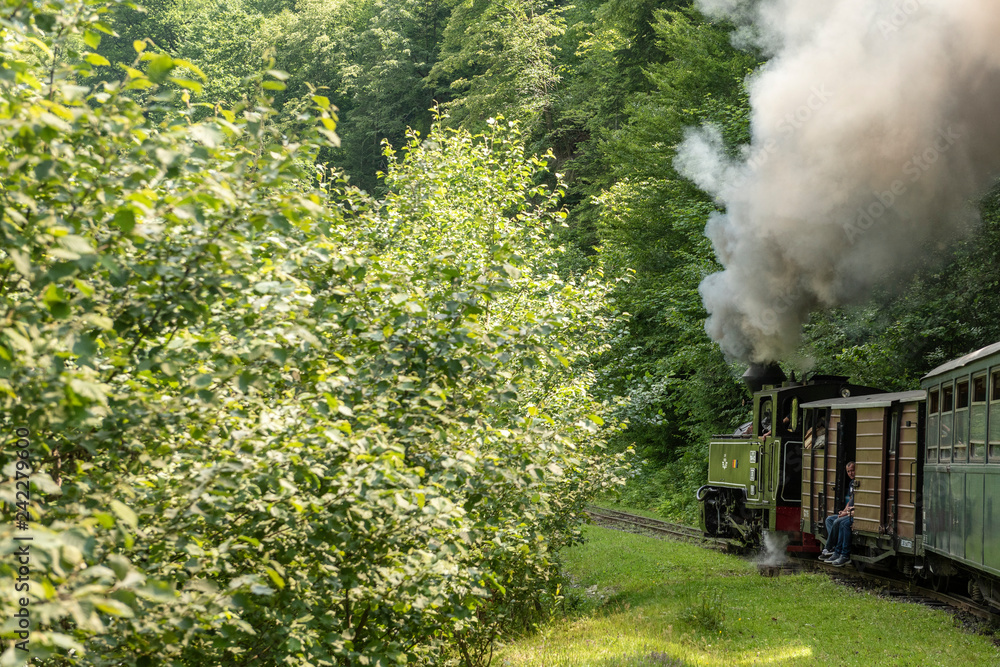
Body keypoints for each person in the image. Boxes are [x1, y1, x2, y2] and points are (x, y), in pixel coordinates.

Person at [819, 461, 856, 565]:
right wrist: (844, 511)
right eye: (848, 471)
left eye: (852, 470)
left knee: (839, 522)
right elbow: (850, 500)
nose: (850, 473)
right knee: (829, 519)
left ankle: (833, 549)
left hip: (853, 514)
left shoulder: (859, 483)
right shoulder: (851, 483)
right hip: (848, 512)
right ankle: (834, 548)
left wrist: (846, 513)